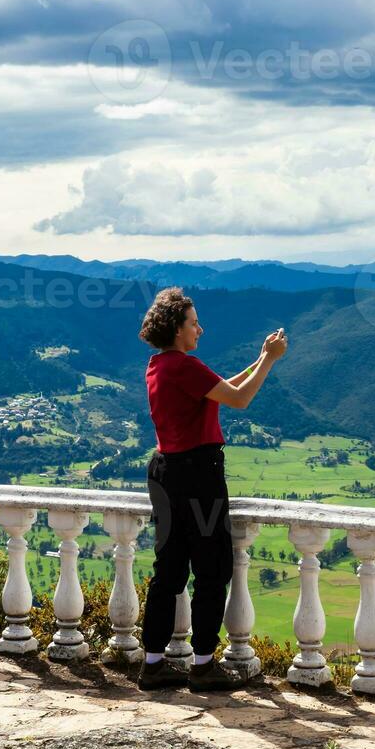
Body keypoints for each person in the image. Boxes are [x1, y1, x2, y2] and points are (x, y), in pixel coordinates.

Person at [134, 286, 287, 692]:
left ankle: (153, 663)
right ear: (176, 328)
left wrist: (259, 358)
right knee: (211, 568)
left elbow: (218, 389)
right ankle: (203, 664)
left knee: (168, 569)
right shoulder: (184, 367)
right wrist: (269, 361)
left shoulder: (160, 366)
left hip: (165, 474)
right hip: (198, 477)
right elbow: (238, 399)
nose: (200, 329)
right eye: (193, 322)